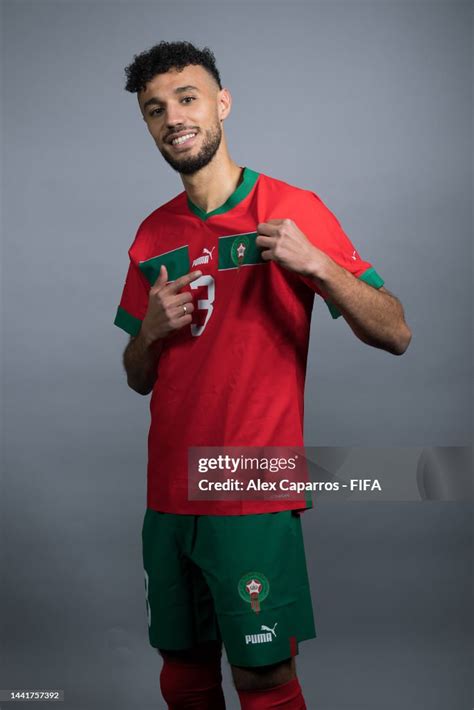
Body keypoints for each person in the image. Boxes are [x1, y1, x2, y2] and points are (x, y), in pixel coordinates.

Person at [114, 40, 412, 710]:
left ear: (221, 103)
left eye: (187, 99)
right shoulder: (151, 234)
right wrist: (150, 335)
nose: (173, 117)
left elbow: (396, 331)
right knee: (183, 671)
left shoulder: (292, 208)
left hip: (249, 483)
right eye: (154, 109)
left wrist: (321, 268)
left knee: (264, 678)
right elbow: (137, 376)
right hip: (167, 490)